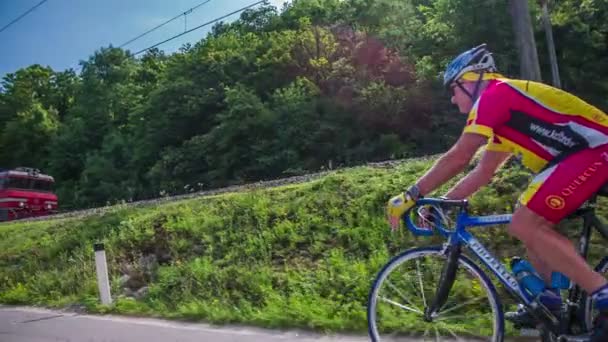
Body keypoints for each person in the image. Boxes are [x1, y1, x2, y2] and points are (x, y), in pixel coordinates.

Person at [386, 43, 608, 340]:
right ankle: (554, 307)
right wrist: (440, 203)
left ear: (469, 80)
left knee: (524, 222)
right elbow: (483, 172)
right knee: (531, 221)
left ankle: (601, 293)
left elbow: (459, 156)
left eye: (452, 90)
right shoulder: (506, 114)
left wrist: (411, 194)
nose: (452, 100)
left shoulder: (496, 95)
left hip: (595, 150)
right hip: (582, 156)